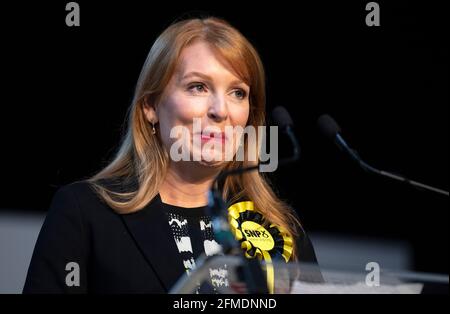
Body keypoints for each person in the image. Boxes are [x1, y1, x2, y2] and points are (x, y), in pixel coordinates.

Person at [23, 16, 321, 294]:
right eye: (198, 87)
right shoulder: (84, 213)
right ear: (150, 107)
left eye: (238, 93)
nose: (221, 110)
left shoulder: (282, 229)